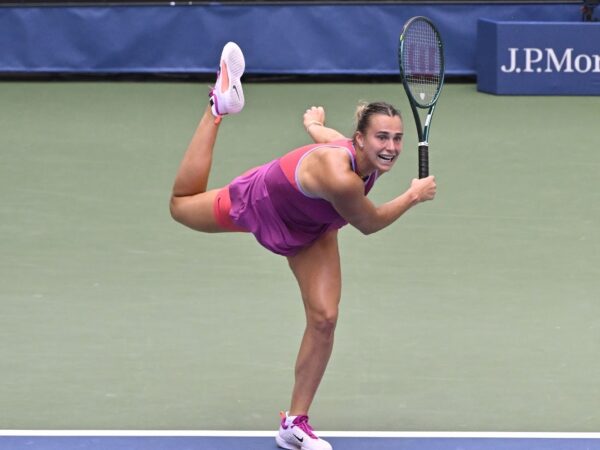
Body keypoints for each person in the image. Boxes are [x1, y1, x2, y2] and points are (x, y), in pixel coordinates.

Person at [169, 42, 437, 450]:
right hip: (260, 204)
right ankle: (217, 108)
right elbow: (368, 223)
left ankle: (294, 423)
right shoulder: (342, 178)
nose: (392, 147)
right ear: (360, 140)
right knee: (181, 206)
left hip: (314, 230)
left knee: (325, 318)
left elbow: (327, 136)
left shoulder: (359, 156)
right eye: (382, 137)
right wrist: (413, 196)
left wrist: (314, 125)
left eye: (398, 139)